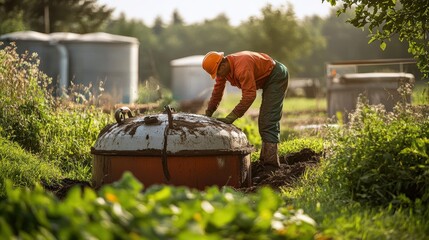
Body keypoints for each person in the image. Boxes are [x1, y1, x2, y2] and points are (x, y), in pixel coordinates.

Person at [201, 51, 289, 169]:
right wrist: (208, 113)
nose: (218, 76)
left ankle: (271, 164)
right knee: (263, 120)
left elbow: (249, 96)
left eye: (217, 72)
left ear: (222, 65)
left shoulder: (242, 67)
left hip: (276, 75)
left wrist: (232, 116)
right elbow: (217, 92)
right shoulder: (223, 72)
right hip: (266, 77)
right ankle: (265, 160)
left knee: (268, 119)